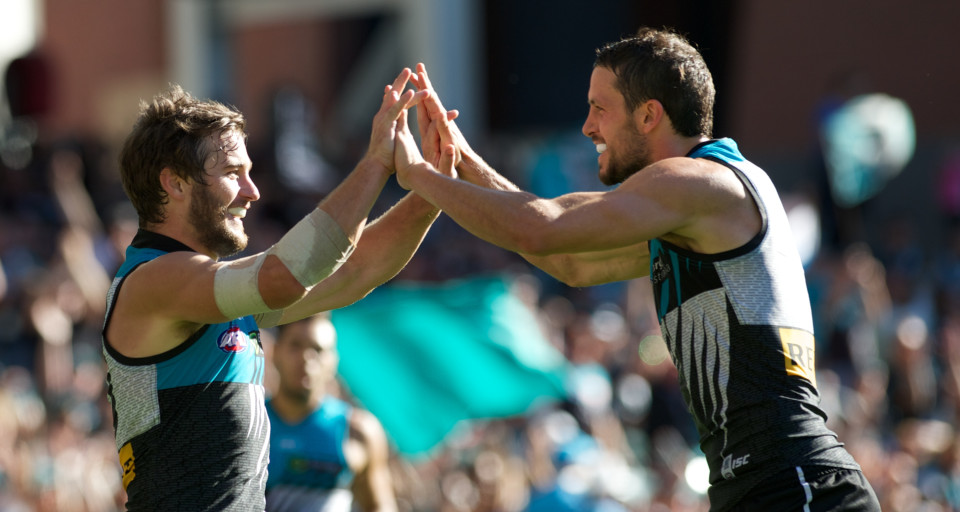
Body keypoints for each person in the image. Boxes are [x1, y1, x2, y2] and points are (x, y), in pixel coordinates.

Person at [394, 28, 881, 511]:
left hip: (793, 483)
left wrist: (420, 176)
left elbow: (542, 228)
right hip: (771, 484)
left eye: (599, 109)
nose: (588, 127)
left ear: (649, 114)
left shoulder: (696, 182)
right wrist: (462, 163)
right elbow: (568, 260)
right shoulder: (693, 203)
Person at [102, 69, 454, 511]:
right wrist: (376, 162)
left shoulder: (209, 291)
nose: (252, 192)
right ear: (174, 183)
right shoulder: (154, 280)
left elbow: (357, 269)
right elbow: (281, 276)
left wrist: (434, 187)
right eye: (234, 173)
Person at [265, 312, 395, 511]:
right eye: (295, 346)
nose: (306, 358)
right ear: (275, 352)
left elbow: (379, 506)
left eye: (318, 349)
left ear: (333, 361)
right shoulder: (248, 426)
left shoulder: (358, 431)